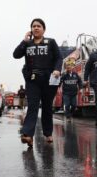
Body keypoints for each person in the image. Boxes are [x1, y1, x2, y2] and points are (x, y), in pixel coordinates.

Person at [13, 18, 62, 147]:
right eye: (33, 26)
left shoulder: (50, 42)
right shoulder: (27, 44)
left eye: (38, 26)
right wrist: (24, 41)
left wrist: (57, 69)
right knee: (33, 106)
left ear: (43, 29)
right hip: (33, 79)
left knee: (46, 106)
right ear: (31, 29)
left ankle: (48, 133)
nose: (36, 28)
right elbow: (16, 54)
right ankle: (28, 135)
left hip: (48, 79)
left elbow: (58, 57)